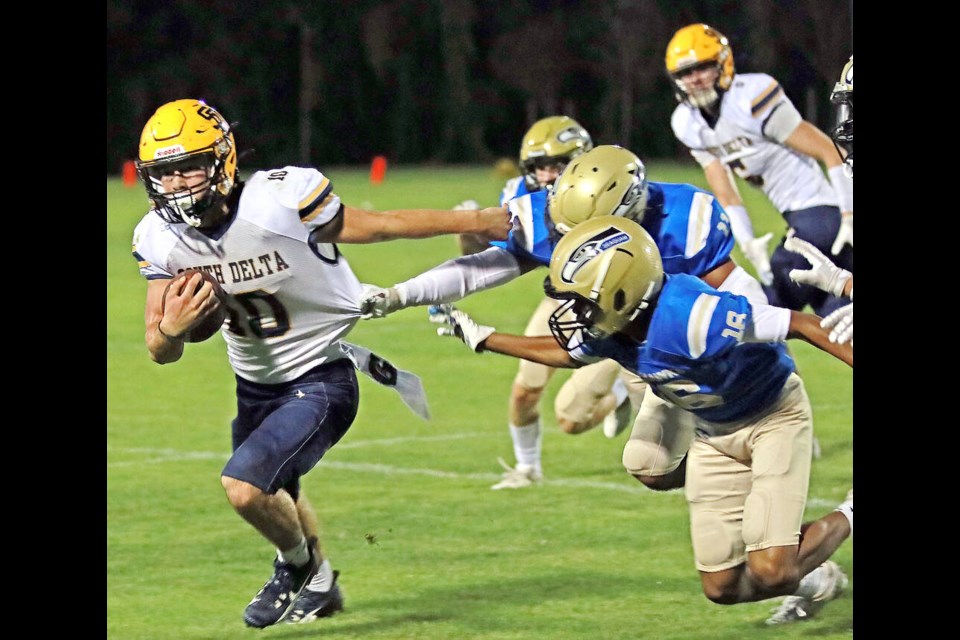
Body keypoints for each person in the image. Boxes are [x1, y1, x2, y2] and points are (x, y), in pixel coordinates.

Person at [130, 98, 510, 629]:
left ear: (224, 159)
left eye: (188, 167)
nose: (177, 185)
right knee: (277, 493)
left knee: (245, 487)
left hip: (321, 375)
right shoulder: (159, 237)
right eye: (163, 174)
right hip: (254, 385)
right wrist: (173, 328)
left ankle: (297, 568)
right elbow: (159, 348)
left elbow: (382, 225)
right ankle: (323, 586)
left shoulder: (278, 200)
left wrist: (477, 219)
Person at [429, 215, 853, 622]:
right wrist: (485, 338)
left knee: (773, 570)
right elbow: (565, 353)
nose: (573, 312)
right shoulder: (618, 325)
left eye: (581, 300)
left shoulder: (694, 315)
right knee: (722, 586)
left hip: (771, 415)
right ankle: (815, 576)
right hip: (711, 431)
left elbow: (802, 324)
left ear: (621, 294)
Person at [359, 144, 755, 491]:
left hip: (687, 348)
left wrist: (747, 339)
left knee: (732, 444)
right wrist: (399, 295)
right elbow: (480, 269)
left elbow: (740, 293)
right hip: (621, 342)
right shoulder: (546, 211)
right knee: (653, 467)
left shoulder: (686, 220)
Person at [665, 23, 854, 319]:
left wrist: (849, 213)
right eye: (685, 73)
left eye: (702, 68)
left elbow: (828, 150)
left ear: (722, 63)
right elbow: (726, 193)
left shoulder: (750, 96)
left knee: (760, 311)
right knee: (837, 319)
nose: (695, 79)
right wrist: (748, 241)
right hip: (800, 216)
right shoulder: (686, 122)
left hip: (820, 213)